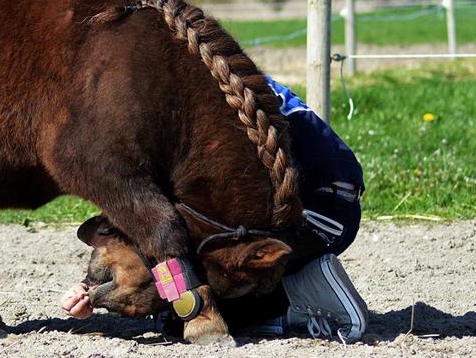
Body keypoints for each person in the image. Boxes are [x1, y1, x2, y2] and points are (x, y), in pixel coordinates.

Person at [60, 75, 368, 342]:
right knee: (178, 280)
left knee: (180, 299)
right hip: (330, 203)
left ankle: (299, 307)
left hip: (317, 211)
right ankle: (297, 291)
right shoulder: (194, 87)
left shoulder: (192, 106)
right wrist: (87, 288)